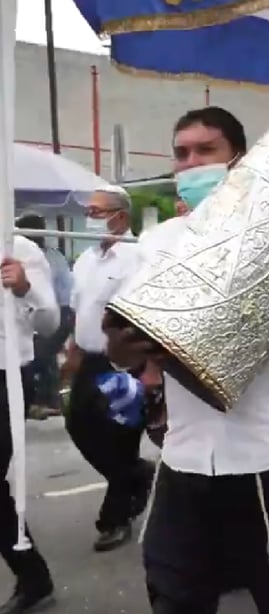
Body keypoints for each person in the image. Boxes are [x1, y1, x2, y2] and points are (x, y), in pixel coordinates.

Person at [103, 106, 269, 614]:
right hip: (186, 458)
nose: (191, 164)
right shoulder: (159, 245)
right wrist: (126, 352)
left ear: (239, 160)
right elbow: (125, 345)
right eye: (182, 153)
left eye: (205, 150)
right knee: (173, 593)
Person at [64, 186, 153, 552]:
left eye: (98, 212)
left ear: (120, 216)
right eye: (90, 211)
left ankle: (115, 518)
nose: (91, 217)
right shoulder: (86, 257)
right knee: (79, 425)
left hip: (124, 363)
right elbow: (78, 309)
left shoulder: (138, 257)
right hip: (89, 359)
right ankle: (136, 474)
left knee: (119, 437)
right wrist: (72, 350)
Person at [0, 237, 59, 613]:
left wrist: (24, 288)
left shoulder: (19, 248)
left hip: (6, 379)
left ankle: (33, 574)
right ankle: (33, 576)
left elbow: (51, 321)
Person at [15, 214, 73, 420]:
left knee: (43, 355)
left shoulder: (42, 257)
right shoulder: (51, 254)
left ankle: (47, 400)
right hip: (47, 312)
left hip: (58, 311)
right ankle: (46, 400)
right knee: (45, 358)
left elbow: (57, 296)